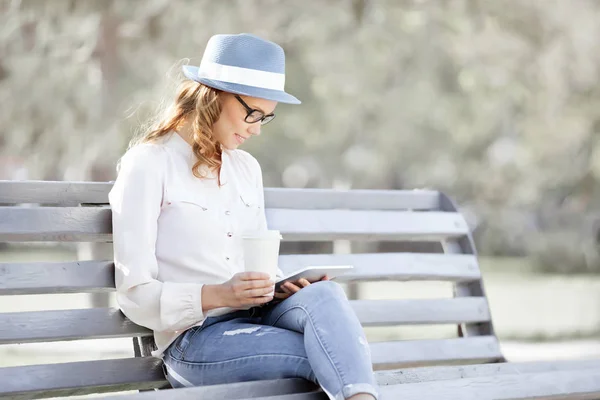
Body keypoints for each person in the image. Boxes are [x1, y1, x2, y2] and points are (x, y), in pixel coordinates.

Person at [108, 33, 379, 400]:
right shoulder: (149, 164)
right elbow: (134, 294)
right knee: (333, 353)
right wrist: (219, 294)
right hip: (196, 340)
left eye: (266, 118)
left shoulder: (246, 169)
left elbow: (255, 260)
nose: (255, 128)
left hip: (257, 316)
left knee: (325, 295)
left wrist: (280, 287)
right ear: (213, 95)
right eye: (252, 113)